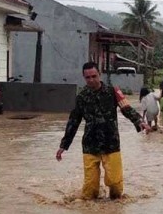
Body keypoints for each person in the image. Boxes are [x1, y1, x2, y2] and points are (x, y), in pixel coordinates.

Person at [56, 62, 151, 200]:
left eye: (94, 76)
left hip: (111, 143)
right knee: (90, 191)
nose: (91, 80)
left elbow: (126, 108)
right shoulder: (81, 97)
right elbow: (73, 121)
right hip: (90, 145)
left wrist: (139, 121)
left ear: (100, 75)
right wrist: (63, 145)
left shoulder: (113, 92)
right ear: (84, 77)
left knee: (116, 187)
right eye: (87, 77)